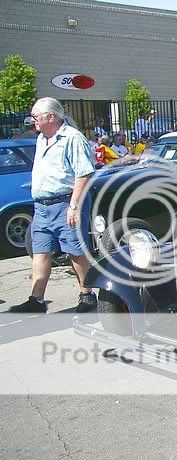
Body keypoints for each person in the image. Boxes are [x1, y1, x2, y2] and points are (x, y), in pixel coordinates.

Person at [9, 97, 97, 313]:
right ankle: (37, 300)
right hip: (42, 207)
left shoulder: (73, 138)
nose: (33, 121)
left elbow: (84, 174)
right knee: (40, 251)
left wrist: (74, 206)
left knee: (75, 251)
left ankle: (87, 295)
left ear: (51, 117)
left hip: (65, 203)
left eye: (36, 116)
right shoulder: (41, 139)